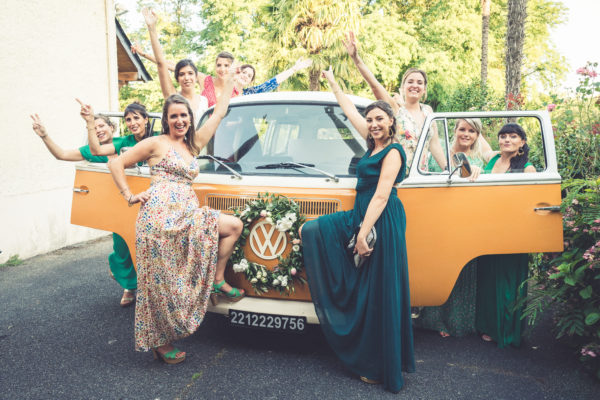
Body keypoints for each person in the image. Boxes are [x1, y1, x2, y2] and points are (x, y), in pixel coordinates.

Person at [103, 67, 244, 364]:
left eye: (184, 115)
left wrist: (229, 82)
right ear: (166, 120)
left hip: (187, 216)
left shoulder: (193, 144)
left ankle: (217, 278)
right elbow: (116, 164)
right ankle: (160, 342)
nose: (179, 120)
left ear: (190, 119)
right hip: (156, 223)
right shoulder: (156, 143)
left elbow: (218, 113)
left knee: (233, 226)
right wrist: (129, 195)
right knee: (159, 285)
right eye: (173, 116)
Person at [300, 68, 414, 392]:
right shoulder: (374, 143)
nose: (374, 124)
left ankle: (380, 366)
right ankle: (365, 353)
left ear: (392, 121)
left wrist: (363, 234)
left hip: (381, 219)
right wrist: (334, 82)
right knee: (312, 231)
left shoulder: (393, 151)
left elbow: (381, 194)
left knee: (379, 290)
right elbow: (350, 112)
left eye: (380, 119)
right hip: (363, 214)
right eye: (371, 120)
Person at [31, 111, 137, 307]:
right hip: (118, 206)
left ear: (111, 127)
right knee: (122, 248)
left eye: (102, 126)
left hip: (140, 197)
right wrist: (44, 135)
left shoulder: (126, 141)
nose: (98, 130)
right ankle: (129, 286)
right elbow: (61, 154)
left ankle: (151, 289)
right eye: (93, 127)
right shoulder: (91, 151)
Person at [342, 31, 446, 170]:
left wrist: (447, 170)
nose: (415, 85)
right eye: (410, 82)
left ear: (424, 89)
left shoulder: (428, 111)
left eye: (420, 83)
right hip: (397, 175)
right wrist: (356, 58)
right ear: (403, 87)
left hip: (420, 178)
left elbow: (434, 145)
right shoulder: (396, 110)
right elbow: (374, 85)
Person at [476, 123, 535, 347]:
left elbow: (529, 202)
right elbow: (479, 141)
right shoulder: (492, 159)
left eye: (513, 136)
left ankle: (508, 331)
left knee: (509, 281)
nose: (506, 140)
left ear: (522, 142)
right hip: (488, 227)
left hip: (513, 230)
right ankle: (489, 325)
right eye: (503, 136)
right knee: (490, 278)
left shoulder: (526, 167)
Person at [141, 9, 209, 123]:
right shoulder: (173, 97)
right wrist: (152, 28)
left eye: (190, 73)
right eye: (182, 74)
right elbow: (161, 63)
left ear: (196, 76)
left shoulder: (204, 101)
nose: (186, 78)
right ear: (177, 79)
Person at [236, 58, 312, 95]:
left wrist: (294, 69)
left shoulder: (250, 93)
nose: (245, 76)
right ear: (238, 72)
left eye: (249, 76)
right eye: (244, 72)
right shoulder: (224, 88)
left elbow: (274, 81)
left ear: (250, 81)